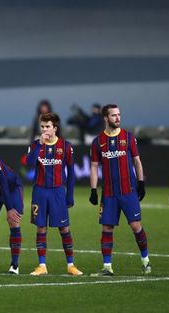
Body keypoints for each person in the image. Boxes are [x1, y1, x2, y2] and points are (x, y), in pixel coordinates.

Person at [89, 104, 151, 276]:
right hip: (108, 194)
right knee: (106, 228)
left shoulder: (128, 137)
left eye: (119, 115)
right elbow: (94, 167)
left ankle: (145, 260)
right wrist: (93, 189)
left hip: (128, 191)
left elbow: (137, 161)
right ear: (106, 118)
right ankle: (107, 267)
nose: (118, 118)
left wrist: (141, 182)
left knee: (135, 226)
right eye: (114, 115)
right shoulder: (98, 142)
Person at [26, 112, 83, 276]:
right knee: (41, 228)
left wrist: (69, 195)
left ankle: (71, 265)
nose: (44, 130)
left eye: (47, 127)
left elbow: (71, 173)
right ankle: (42, 265)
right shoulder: (35, 145)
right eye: (42, 126)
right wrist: (39, 145)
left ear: (55, 128)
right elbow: (29, 163)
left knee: (64, 229)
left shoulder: (66, 146)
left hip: (58, 192)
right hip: (40, 192)